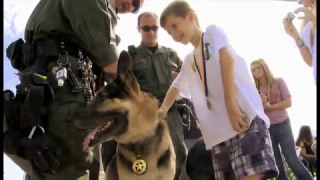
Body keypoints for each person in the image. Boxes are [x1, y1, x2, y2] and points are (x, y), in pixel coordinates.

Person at [3, 0, 144, 180]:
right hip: (65, 95)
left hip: (43, 91)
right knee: (73, 167)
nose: (132, 7)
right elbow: (111, 65)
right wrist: (141, 105)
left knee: (45, 164)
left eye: (136, 8)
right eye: (134, 1)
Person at [158, 1, 279, 180]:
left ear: (190, 17)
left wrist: (231, 105)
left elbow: (226, 58)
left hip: (242, 119)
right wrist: (161, 111)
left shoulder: (212, 34)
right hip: (218, 134)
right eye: (169, 31)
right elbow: (176, 86)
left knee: (251, 176)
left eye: (175, 26)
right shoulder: (189, 60)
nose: (174, 34)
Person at [127, 11, 187, 180]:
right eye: (147, 28)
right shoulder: (131, 56)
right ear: (139, 29)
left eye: (155, 28)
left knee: (179, 152)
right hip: (145, 114)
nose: (151, 32)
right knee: (146, 157)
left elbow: (189, 78)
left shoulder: (171, 55)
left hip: (171, 112)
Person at [251, 59, 313, 180]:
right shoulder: (253, 90)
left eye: (258, 67)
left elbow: (288, 102)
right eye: (253, 69)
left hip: (283, 124)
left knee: (292, 159)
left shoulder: (278, 81)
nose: (256, 71)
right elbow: (255, 111)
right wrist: (262, 106)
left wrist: (270, 107)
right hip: (266, 128)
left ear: (264, 67)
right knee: (277, 165)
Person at [283, 0, 317, 84]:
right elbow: (311, 61)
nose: (299, 2)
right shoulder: (307, 20)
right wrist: (296, 37)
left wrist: (315, 20)